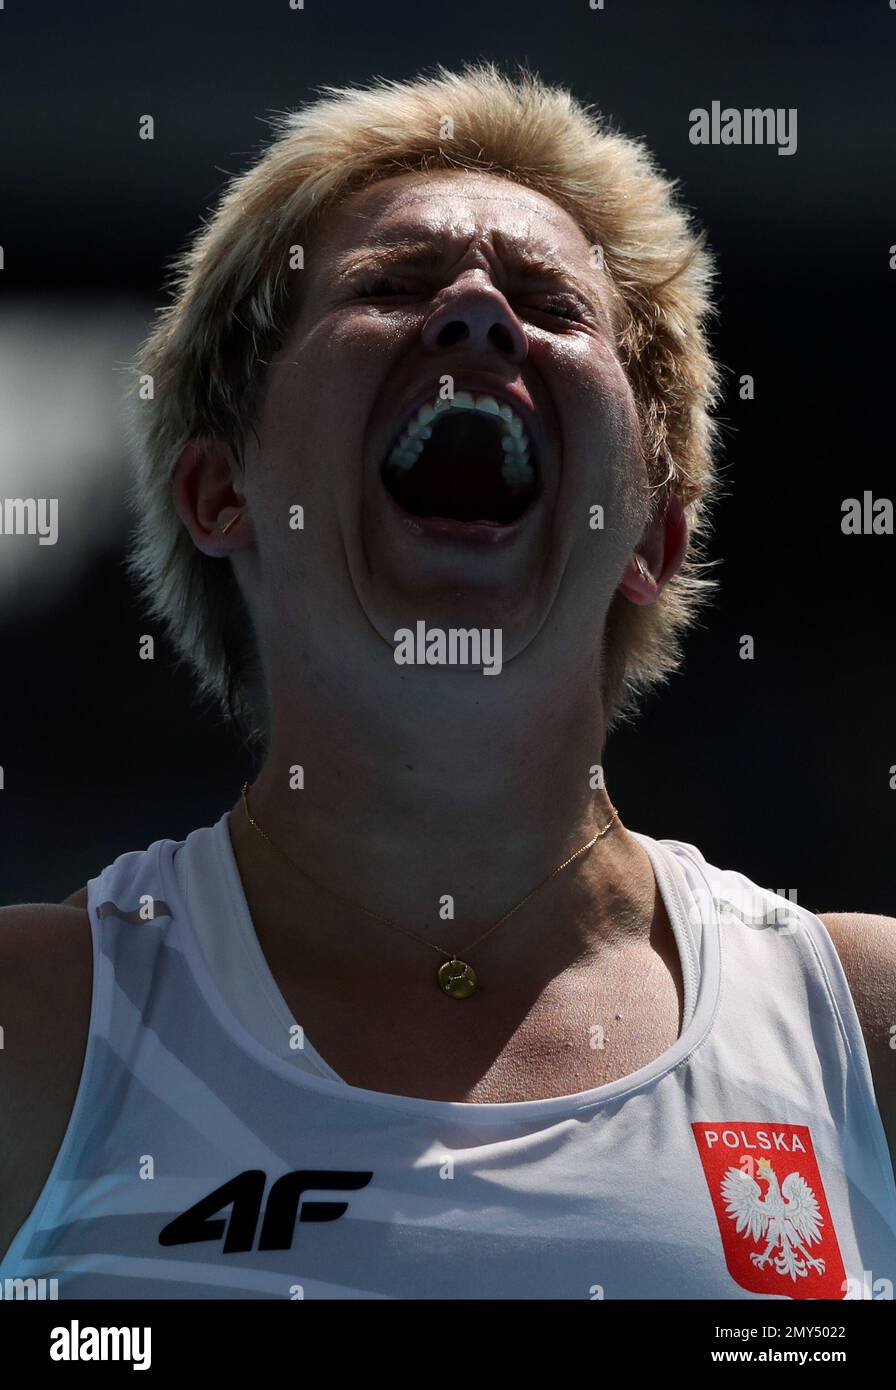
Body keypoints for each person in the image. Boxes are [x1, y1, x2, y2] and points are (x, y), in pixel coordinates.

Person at [1, 64, 894, 1301]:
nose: (476, 314)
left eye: (548, 304)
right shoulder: (40, 1022)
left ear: (654, 536)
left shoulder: (858, 1023)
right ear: (220, 493)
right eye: (394, 285)